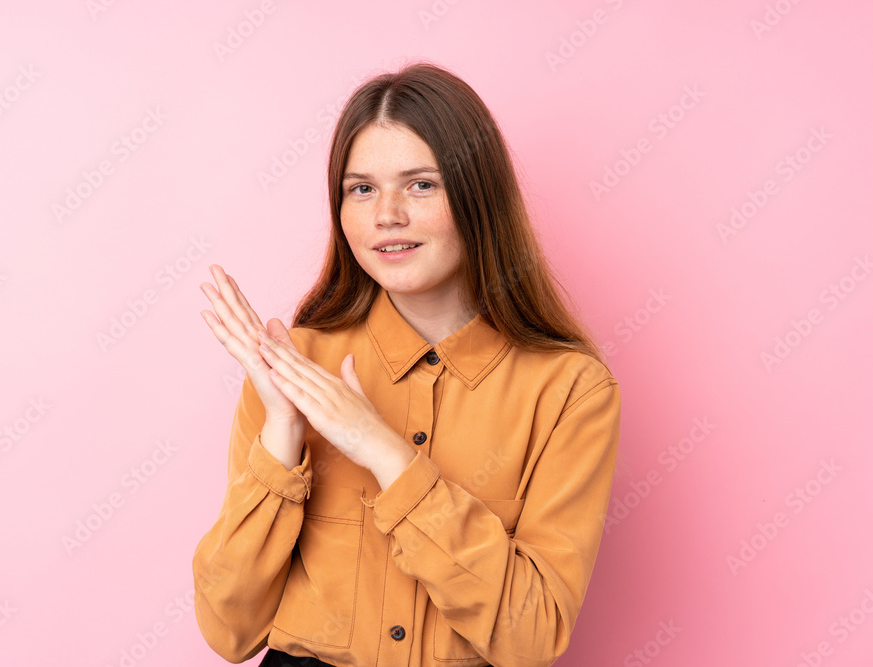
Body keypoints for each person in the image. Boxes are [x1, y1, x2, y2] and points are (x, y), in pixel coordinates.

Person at [192, 61, 621, 667]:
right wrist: (282, 437)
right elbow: (228, 630)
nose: (385, 215)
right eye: (361, 188)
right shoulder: (294, 365)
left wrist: (384, 452)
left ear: (477, 197)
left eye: (421, 184)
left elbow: (530, 638)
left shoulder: (571, 391)